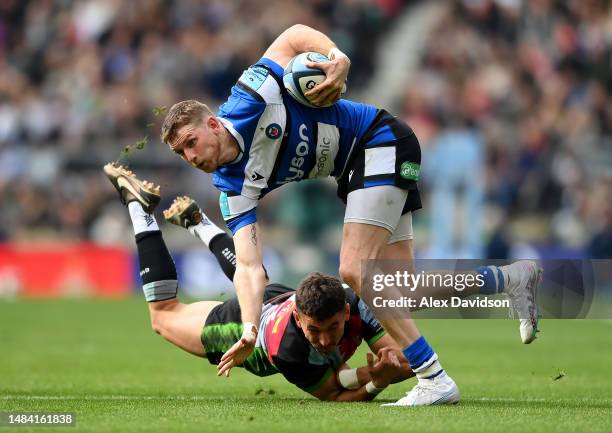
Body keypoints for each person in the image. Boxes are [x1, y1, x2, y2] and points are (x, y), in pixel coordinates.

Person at [159, 24, 540, 406]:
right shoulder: (231, 187)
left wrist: (337, 57)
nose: (191, 158)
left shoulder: (249, 98)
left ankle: (434, 377)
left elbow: (292, 37)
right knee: (399, 294)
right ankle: (510, 279)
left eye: (191, 143)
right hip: (361, 166)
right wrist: (249, 328)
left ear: (212, 124)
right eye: (182, 154)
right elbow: (248, 266)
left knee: (354, 271)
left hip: (379, 140)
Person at [104, 162, 414, 401]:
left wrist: (388, 368)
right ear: (298, 316)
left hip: (274, 298)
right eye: (314, 330)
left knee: (255, 280)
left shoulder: (356, 304)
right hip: (238, 328)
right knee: (163, 315)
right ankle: (139, 208)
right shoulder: (289, 348)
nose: (324, 339)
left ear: (346, 312)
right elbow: (335, 392)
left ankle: (199, 223)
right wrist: (377, 381)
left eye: (333, 327)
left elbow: (407, 360)